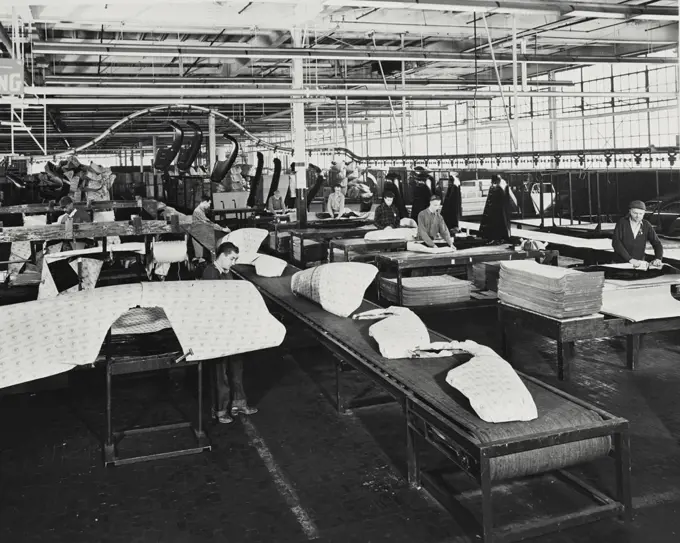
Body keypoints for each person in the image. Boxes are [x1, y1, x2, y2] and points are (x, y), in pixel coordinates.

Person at [202, 241, 258, 424]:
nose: (233, 262)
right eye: (232, 258)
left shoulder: (227, 273)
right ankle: (220, 410)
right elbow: (214, 301)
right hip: (218, 328)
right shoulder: (211, 272)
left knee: (236, 366)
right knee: (220, 372)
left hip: (231, 326)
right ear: (223, 255)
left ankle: (239, 403)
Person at [612, 200, 663, 268]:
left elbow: (657, 243)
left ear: (644, 213)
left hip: (639, 264)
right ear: (630, 211)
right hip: (621, 263)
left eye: (640, 214)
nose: (638, 216)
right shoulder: (622, 223)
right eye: (635, 213)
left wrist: (658, 258)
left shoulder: (646, 225)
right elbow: (616, 243)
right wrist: (630, 259)